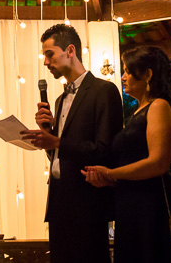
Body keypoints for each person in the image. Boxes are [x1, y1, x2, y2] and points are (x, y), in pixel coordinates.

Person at [20, 24, 123, 263]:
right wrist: (47, 134)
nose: (46, 62)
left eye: (50, 54)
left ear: (70, 50)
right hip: (58, 201)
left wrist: (57, 141)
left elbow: (105, 150)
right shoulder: (59, 100)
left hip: (88, 202)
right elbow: (59, 155)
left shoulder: (103, 90)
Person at [82, 47, 171, 263]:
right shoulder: (137, 112)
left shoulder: (159, 106)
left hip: (151, 206)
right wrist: (109, 181)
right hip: (131, 203)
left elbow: (158, 163)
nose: (123, 77)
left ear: (148, 75)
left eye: (128, 71)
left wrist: (111, 173)